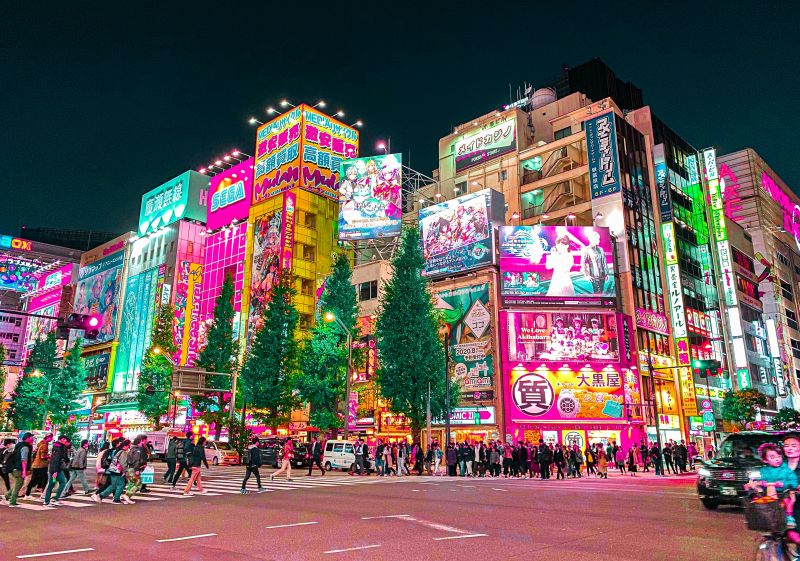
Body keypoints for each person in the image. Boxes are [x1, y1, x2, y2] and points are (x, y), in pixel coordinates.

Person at [746, 443, 798, 527]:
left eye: (779, 456)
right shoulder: (763, 470)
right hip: (766, 494)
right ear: (765, 460)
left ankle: (789, 516)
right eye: (772, 457)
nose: (777, 459)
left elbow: (793, 481)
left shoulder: (786, 470)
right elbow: (757, 480)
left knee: (787, 499)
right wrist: (756, 483)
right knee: (755, 489)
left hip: (783, 493)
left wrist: (784, 484)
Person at [92, 439, 130, 505]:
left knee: (113, 485)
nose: (129, 448)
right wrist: (125, 471)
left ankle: (101, 496)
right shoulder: (123, 452)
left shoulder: (115, 451)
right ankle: (115, 499)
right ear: (126, 446)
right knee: (121, 484)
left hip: (112, 470)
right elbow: (123, 463)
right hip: (118, 471)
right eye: (129, 446)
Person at [2, 432, 34, 507]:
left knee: (18, 483)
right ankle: (12, 501)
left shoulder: (18, 445)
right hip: (19, 468)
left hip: (15, 467)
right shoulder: (25, 448)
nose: (33, 439)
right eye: (31, 437)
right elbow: (24, 460)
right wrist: (24, 471)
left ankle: (7, 495)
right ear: (28, 438)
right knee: (18, 484)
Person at [43, 435, 71, 506]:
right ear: (61, 440)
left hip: (56, 469)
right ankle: (51, 500)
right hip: (56, 469)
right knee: (57, 483)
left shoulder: (58, 446)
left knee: (56, 483)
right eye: (64, 440)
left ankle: (51, 499)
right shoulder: (59, 448)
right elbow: (56, 460)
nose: (65, 441)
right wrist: (55, 471)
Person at [580, 229, 609, 294]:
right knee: (597, 292)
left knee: (601, 291)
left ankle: (601, 303)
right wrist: (586, 275)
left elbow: (604, 261)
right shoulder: (586, 249)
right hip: (594, 276)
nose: (599, 240)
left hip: (603, 275)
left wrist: (607, 273)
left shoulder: (601, 249)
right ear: (592, 239)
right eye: (597, 239)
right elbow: (583, 263)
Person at [26, 433, 53, 497]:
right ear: (48, 438)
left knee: (36, 480)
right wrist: (49, 457)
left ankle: (28, 493)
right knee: (43, 479)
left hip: (37, 464)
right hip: (41, 465)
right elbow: (43, 456)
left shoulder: (40, 444)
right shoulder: (44, 445)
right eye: (51, 437)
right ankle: (42, 494)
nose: (51, 439)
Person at [124, 435, 149, 503]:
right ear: (142, 441)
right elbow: (136, 460)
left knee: (131, 484)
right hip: (134, 469)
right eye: (145, 440)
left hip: (130, 469)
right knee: (138, 484)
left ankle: (127, 499)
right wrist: (137, 469)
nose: (146, 442)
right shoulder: (137, 450)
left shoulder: (132, 449)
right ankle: (127, 495)